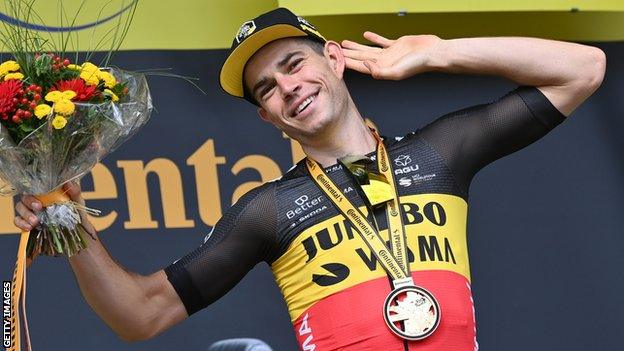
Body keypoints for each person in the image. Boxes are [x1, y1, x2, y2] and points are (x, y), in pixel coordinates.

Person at [13, 7, 605, 351]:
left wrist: (436, 53)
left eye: (294, 64)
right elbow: (139, 314)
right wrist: (67, 212)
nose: (287, 87)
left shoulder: (438, 155)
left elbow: (582, 70)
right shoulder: (270, 209)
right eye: (266, 90)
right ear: (268, 119)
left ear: (335, 62)